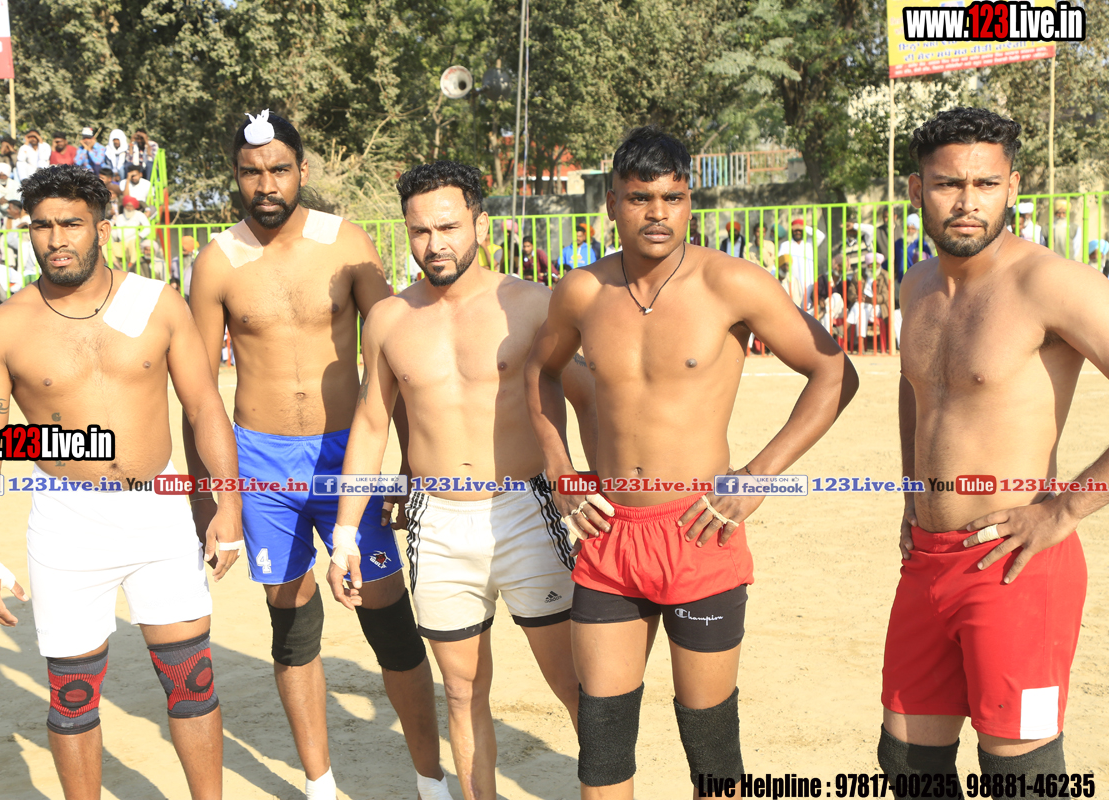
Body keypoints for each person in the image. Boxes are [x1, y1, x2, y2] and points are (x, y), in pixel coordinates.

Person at [524, 125, 857, 800]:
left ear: (689, 202)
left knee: (711, 747)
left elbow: (834, 372)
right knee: (602, 744)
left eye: (672, 198)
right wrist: (560, 471)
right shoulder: (582, 291)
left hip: (699, 530)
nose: (657, 213)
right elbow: (540, 372)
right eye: (640, 198)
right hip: (609, 534)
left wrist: (759, 475)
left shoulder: (730, 283)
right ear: (611, 202)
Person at [184, 110, 451, 800]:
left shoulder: (346, 243)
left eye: (279, 169)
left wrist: (411, 466)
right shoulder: (216, 260)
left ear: (302, 171)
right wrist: (210, 502)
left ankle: (430, 781)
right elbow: (198, 394)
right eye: (251, 172)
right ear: (236, 177)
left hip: (347, 456)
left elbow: (397, 360)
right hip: (259, 462)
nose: (266, 184)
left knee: (388, 620)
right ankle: (320, 785)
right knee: (293, 625)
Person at [0, 163, 243, 800]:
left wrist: (226, 507)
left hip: (161, 509)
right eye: (42, 226)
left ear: (103, 230)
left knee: (192, 680)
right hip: (68, 520)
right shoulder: (3, 327)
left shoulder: (158, 302)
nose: (56, 239)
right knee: (73, 695)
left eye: (71, 224)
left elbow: (204, 407)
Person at [327, 160, 596, 800]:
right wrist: (343, 536)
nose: (435, 244)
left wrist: (599, 483)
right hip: (436, 522)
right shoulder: (388, 319)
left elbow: (591, 397)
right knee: (461, 689)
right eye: (420, 231)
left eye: (448, 227)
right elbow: (371, 424)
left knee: (574, 683)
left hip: (527, 513)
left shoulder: (531, 305)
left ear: (480, 223)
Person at [880, 107, 1109, 795]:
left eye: (985, 184)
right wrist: (912, 491)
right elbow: (916, 389)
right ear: (917, 190)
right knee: (907, 765)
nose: (967, 202)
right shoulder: (917, 285)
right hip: (927, 559)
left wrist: (1064, 510)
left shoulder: (1052, 283)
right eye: (949, 184)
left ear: (1013, 186)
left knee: (1020, 777)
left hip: (1016, 563)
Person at [777, 216, 827, 302]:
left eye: (800, 230)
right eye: (795, 230)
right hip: (792, 281)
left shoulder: (810, 243)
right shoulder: (785, 245)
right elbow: (779, 263)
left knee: (808, 304)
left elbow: (821, 236)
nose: (798, 232)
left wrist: (805, 227)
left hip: (808, 281)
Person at [893, 213, 934, 281]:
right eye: (907, 228)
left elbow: (930, 259)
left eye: (913, 228)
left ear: (917, 230)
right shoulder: (898, 243)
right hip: (901, 280)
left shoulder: (921, 243)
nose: (910, 231)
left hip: (916, 280)